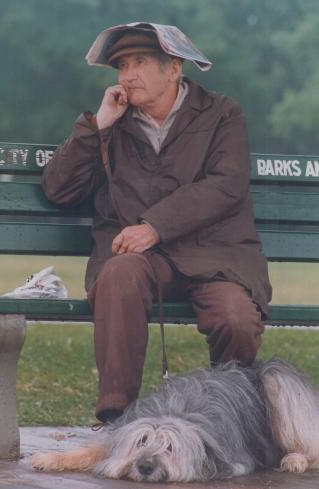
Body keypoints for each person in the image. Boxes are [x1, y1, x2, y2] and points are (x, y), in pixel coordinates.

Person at [42, 22, 272, 424]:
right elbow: (59, 190)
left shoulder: (222, 113)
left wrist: (154, 226)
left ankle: (230, 420)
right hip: (141, 262)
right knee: (118, 275)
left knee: (235, 317)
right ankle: (116, 418)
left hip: (212, 256)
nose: (127, 75)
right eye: (121, 65)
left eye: (140, 62)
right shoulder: (113, 122)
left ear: (174, 68)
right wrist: (98, 126)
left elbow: (226, 185)